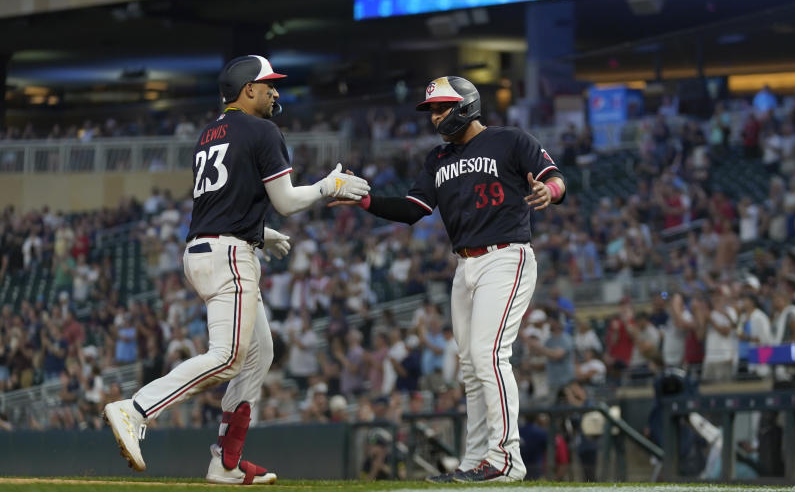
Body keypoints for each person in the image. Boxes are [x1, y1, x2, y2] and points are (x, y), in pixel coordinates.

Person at [103, 55, 370, 484]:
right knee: (227, 357)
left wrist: (260, 233)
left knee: (259, 354)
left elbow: (224, 202)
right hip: (228, 255)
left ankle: (226, 462)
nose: (275, 92)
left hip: (206, 248)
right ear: (248, 89)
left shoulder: (209, 134)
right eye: (268, 85)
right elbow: (284, 201)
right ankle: (135, 410)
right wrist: (326, 187)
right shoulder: (263, 129)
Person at [332, 76, 566, 483]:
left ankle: (507, 458)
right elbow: (411, 209)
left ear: (466, 105)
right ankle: (476, 459)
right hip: (465, 266)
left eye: (442, 107)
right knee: (471, 365)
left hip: (505, 256)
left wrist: (550, 190)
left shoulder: (510, 139)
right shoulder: (437, 159)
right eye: (432, 110)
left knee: (489, 354)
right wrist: (365, 199)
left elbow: (555, 175)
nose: (436, 116)